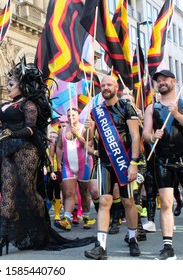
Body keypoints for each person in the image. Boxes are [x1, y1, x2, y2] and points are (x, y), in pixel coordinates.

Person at [0, 58, 95, 256]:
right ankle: (2, 236)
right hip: (8, 152)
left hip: (28, 152)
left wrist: (12, 133)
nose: (7, 87)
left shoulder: (29, 105)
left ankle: (41, 223)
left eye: (11, 84)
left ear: (22, 85)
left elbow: (30, 129)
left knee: (27, 190)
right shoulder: (6, 106)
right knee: (8, 191)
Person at [84, 75, 141, 260]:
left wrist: (133, 163)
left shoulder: (126, 107)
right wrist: (88, 128)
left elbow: (135, 136)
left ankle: (133, 238)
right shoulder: (96, 111)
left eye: (110, 84)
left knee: (128, 202)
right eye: (104, 84)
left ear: (117, 87)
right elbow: (90, 140)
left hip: (124, 162)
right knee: (105, 201)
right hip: (105, 163)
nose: (106, 87)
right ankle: (100, 246)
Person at [142, 69, 181, 260]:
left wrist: (177, 114)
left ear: (173, 81)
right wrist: (152, 135)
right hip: (162, 160)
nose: (161, 83)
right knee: (166, 203)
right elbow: (145, 134)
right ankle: (168, 248)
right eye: (158, 81)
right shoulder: (152, 108)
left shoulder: (181, 103)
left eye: (165, 80)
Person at [55, 108, 93, 231]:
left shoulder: (85, 128)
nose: (71, 117)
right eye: (69, 115)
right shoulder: (62, 130)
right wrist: (59, 162)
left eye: (73, 115)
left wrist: (77, 134)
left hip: (84, 164)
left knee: (84, 192)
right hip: (67, 165)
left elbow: (88, 145)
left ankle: (86, 217)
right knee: (68, 193)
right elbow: (59, 147)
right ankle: (67, 219)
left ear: (78, 116)